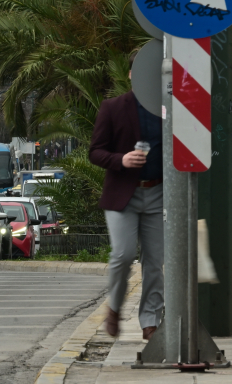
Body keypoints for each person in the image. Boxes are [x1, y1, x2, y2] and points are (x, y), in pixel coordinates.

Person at [89, 62, 163, 341]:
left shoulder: (168, 109)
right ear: (130, 74)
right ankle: (114, 308)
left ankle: (150, 321)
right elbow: (95, 152)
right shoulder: (112, 107)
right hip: (123, 195)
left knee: (155, 261)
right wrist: (121, 159)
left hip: (158, 192)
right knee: (122, 254)